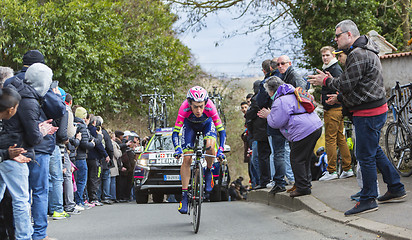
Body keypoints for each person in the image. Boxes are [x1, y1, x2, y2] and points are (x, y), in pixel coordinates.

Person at [308, 19, 406, 216]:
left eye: (337, 35)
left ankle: (369, 198)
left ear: (349, 34)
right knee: (373, 151)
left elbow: (345, 84)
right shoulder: (363, 50)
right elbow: (361, 85)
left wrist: (325, 80)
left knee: (365, 155)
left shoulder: (358, 54)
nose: (335, 40)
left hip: (368, 113)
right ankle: (396, 187)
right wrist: (341, 97)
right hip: (372, 110)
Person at [258, 76, 322, 197]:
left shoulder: (280, 101)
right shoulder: (292, 93)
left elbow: (276, 122)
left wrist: (268, 115)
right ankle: (304, 183)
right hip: (315, 126)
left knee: (296, 159)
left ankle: (303, 187)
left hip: (303, 130)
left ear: (271, 91)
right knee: (305, 158)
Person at [172, 86, 226, 214]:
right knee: (187, 158)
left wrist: (221, 150)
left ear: (205, 103)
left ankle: (208, 171)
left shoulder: (210, 107)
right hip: (189, 126)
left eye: (201, 106)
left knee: (210, 145)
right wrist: (178, 148)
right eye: (195, 106)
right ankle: (184, 196)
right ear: (190, 103)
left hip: (207, 124)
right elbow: (175, 133)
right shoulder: (184, 108)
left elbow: (221, 132)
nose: (199, 110)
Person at [0, 87, 33, 240]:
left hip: (7, 157)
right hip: (9, 158)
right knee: (21, 200)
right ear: (10, 110)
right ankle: (24, 237)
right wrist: (7, 154)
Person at [318, 46, 353, 181]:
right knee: (340, 138)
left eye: (327, 55)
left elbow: (340, 88)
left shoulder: (334, 69)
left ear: (333, 56)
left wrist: (327, 104)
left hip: (334, 109)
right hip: (336, 108)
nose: (325, 58)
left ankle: (331, 170)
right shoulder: (330, 68)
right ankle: (347, 168)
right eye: (323, 56)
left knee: (330, 139)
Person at [256, 59, 290, 194]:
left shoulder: (275, 96)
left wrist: (269, 115)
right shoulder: (287, 85)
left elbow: (260, 101)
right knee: (285, 153)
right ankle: (290, 180)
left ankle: (280, 181)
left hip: (277, 125)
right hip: (290, 126)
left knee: (279, 153)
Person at [73, 107, 96, 209]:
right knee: (81, 180)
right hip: (81, 157)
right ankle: (79, 201)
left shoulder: (74, 124)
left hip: (74, 156)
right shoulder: (82, 127)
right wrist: (93, 144)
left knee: (77, 180)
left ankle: (79, 200)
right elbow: (85, 143)